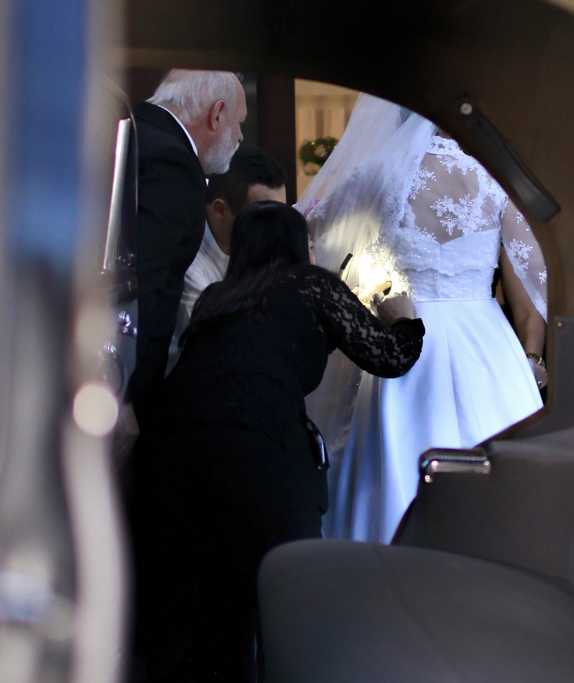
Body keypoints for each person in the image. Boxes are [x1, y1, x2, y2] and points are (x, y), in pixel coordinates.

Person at [128, 202, 425, 682]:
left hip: (169, 452)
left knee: (198, 617)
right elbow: (390, 356)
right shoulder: (310, 283)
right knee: (285, 606)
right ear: (299, 245)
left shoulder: (217, 298)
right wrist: (404, 319)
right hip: (255, 452)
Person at [301, 95, 548, 543]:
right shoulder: (499, 181)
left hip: (404, 341)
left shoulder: (381, 169)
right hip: (486, 349)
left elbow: (308, 227)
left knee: (395, 469)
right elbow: (530, 300)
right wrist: (531, 360)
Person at [125, 69, 247, 413]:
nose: (240, 136)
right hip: (119, 381)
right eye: (239, 122)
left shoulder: (138, 131)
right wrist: (125, 396)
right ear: (217, 113)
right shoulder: (173, 163)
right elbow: (143, 285)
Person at [166, 147, 287, 373]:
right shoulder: (190, 267)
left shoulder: (257, 247)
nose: (277, 231)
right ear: (220, 210)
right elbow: (220, 351)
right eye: (264, 219)